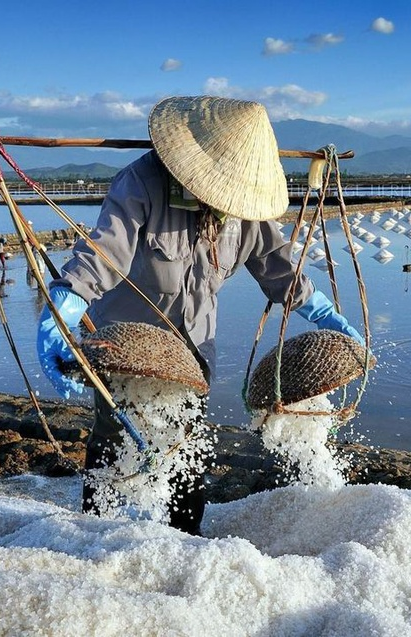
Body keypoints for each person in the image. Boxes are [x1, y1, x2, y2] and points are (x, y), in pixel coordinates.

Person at [36, 95, 363, 535]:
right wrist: (67, 302)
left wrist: (320, 311)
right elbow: (102, 253)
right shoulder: (140, 184)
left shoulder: (245, 206)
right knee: (116, 444)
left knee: (187, 454)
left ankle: (184, 544)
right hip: (127, 349)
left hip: (195, 353)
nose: (221, 205)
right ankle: (97, 536)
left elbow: (277, 265)